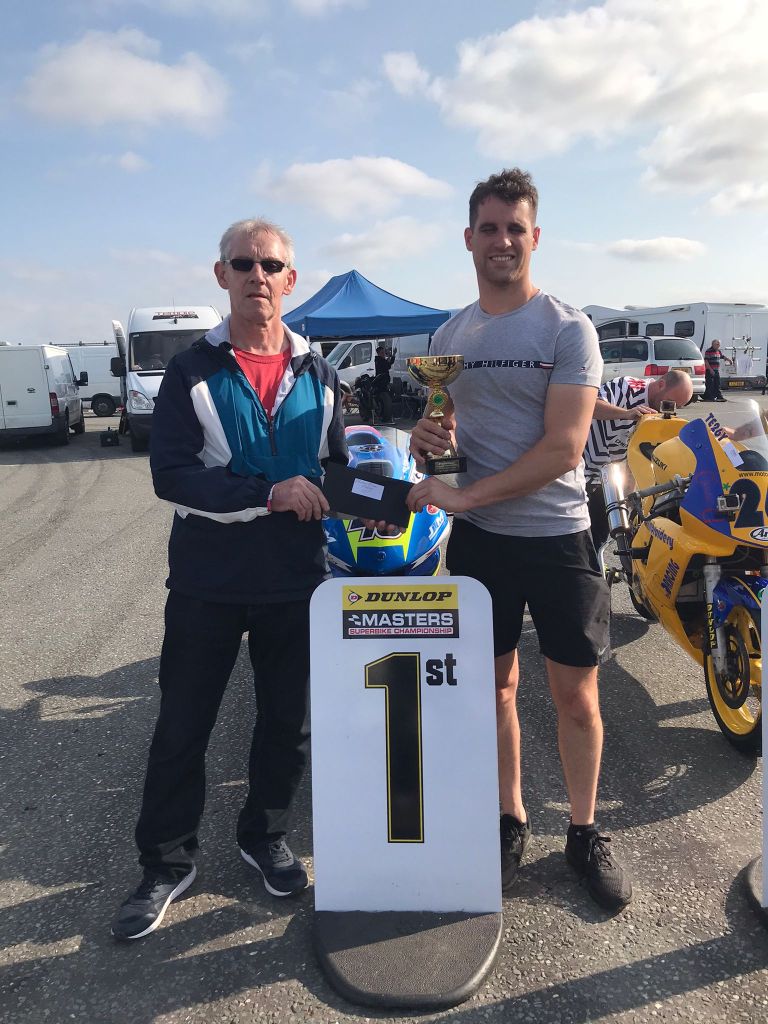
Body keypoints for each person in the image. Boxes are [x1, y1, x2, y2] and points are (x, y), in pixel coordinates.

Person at [112, 218, 347, 941]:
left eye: (270, 265)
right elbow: (172, 475)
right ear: (222, 276)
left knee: (288, 725)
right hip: (207, 581)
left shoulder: (319, 371)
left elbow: (337, 469)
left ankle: (264, 835)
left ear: (290, 279)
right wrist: (267, 493)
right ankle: (165, 862)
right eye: (242, 263)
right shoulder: (191, 369)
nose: (257, 276)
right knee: (183, 725)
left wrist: (397, 486)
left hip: (296, 579)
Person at [405, 168, 632, 911]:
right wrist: (430, 440)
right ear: (468, 239)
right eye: (489, 228)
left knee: (576, 696)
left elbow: (565, 449)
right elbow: (450, 433)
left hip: (557, 537)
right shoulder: (449, 336)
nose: (502, 241)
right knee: (494, 688)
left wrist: (465, 496)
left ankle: (584, 830)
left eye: (515, 228)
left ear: (535, 237)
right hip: (481, 544)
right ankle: (511, 819)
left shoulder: (567, 328)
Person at [585, 370, 693, 553]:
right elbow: (589, 405)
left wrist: (630, 492)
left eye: (677, 406)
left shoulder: (658, 414)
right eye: (669, 402)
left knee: (602, 533)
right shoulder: (626, 387)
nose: (668, 408)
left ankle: (595, 564)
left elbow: (638, 454)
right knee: (576, 532)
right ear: (661, 384)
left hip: (608, 474)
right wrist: (626, 413)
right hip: (583, 464)